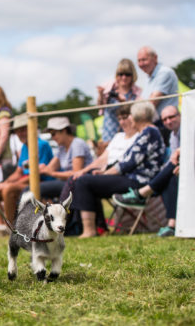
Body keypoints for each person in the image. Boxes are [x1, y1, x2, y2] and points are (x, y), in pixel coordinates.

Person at [71, 101, 166, 237]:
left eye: (131, 115)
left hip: (139, 182)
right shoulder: (148, 132)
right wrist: (103, 173)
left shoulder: (149, 132)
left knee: (84, 182)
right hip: (134, 179)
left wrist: (104, 174)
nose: (130, 118)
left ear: (141, 115)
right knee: (87, 181)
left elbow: (128, 164)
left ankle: (90, 230)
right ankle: (96, 227)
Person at [112, 105, 182, 237]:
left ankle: (142, 193)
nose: (168, 121)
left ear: (180, 116)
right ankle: (171, 226)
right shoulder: (173, 136)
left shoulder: (186, 129)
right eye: (165, 119)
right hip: (178, 170)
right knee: (169, 178)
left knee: (170, 172)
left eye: (172, 117)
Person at [0, 114, 54, 230]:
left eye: (23, 130)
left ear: (32, 129)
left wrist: (7, 185)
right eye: (17, 131)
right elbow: (18, 172)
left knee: (8, 189)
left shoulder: (41, 145)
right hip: (26, 182)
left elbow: (39, 173)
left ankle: (11, 228)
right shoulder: (24, 147)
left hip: (41, 182)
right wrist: (2, 183)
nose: (20, 133)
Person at [37, 116, 93, 200]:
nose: (52, 138)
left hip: (79, 184)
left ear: (64, 131)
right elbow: (49, 168)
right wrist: (42, 168)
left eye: (53, 134)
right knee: (32, 189)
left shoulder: (77, 144)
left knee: (35, 189)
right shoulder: (62, 148)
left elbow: (76, 174)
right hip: (69, 183)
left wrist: (52, 173)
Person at [137, 46, 179, 143]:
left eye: (144, 60)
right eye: (139, 61)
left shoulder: (164, 73)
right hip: (155, 124)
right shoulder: (149, 78)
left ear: (155, 58)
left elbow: (151, 103)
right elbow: (140, 102)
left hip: (166, 124)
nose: (141, 64)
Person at [97, 58, 142, 145]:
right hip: (110, 134)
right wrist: (101, 94)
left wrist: (124, 103)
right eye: (120, 74)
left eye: (127, 74)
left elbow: (137, 114)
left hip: (129, 134)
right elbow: (100, 108)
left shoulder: (137, 93)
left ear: (133, 75)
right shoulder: (109, 88)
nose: (124, 77)